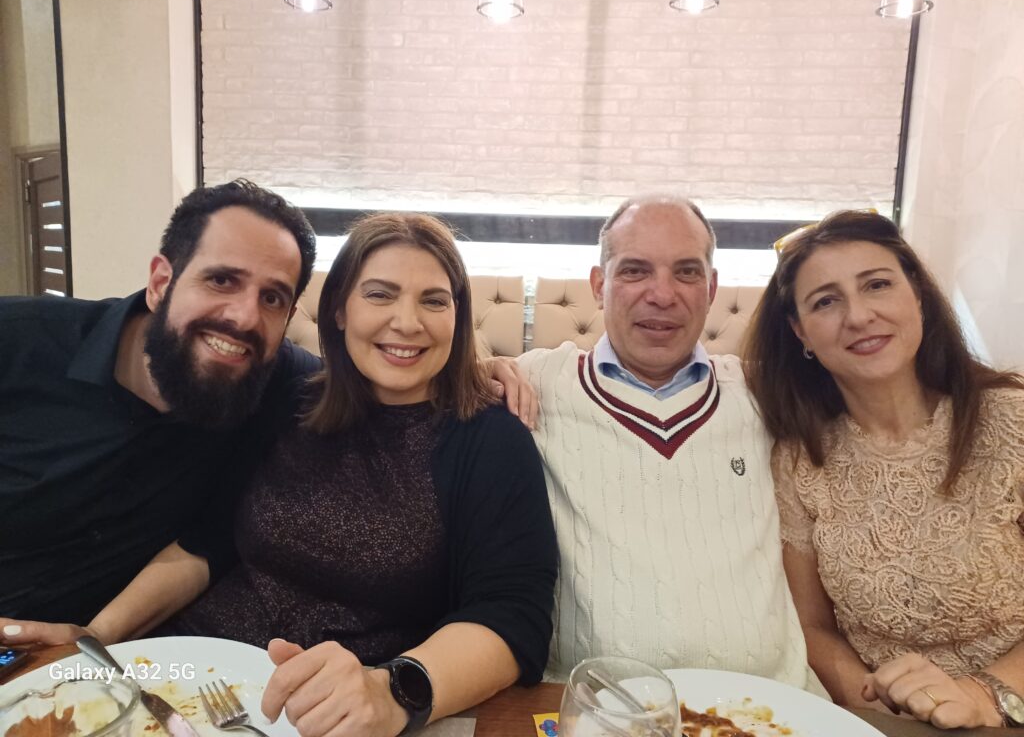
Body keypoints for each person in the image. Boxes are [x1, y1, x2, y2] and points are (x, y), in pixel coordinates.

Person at [7, 213, 558, 737]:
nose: (407, 322)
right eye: (380, 294)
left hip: (332, 711)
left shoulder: (488, 437)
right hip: (190, 683)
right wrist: (97, 637)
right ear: (338, 310)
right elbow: (208, 541)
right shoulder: (290, 398)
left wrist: (394, 692)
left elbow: (512, 614)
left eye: (433, 301)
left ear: (458, 316)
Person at [515, 194, 821, 691]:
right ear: (599, 285)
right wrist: (483, 373)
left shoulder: (763, 393)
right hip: (594, 706)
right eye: (635, 271)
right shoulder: (535, 383)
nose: (662, 295)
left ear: (711, 288)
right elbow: (443, 376)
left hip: (775, 703)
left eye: (686, 272)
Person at [743, 210, 1024, 729]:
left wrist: (981, 696)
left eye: (876, 285)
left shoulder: (1012, 420)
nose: (858, 316)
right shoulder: (799, 459)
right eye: (826, 301)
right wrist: (883, 708)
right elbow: (812, 627)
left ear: (916, 295)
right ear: (801, 333)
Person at [0, 179, 321, 626]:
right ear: (160, 283)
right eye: (222, 280)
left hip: (106, 657)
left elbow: (208, 539)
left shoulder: (276, 384)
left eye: (272, 298)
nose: (245, 317)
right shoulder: (16, 339)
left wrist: (91, 638)